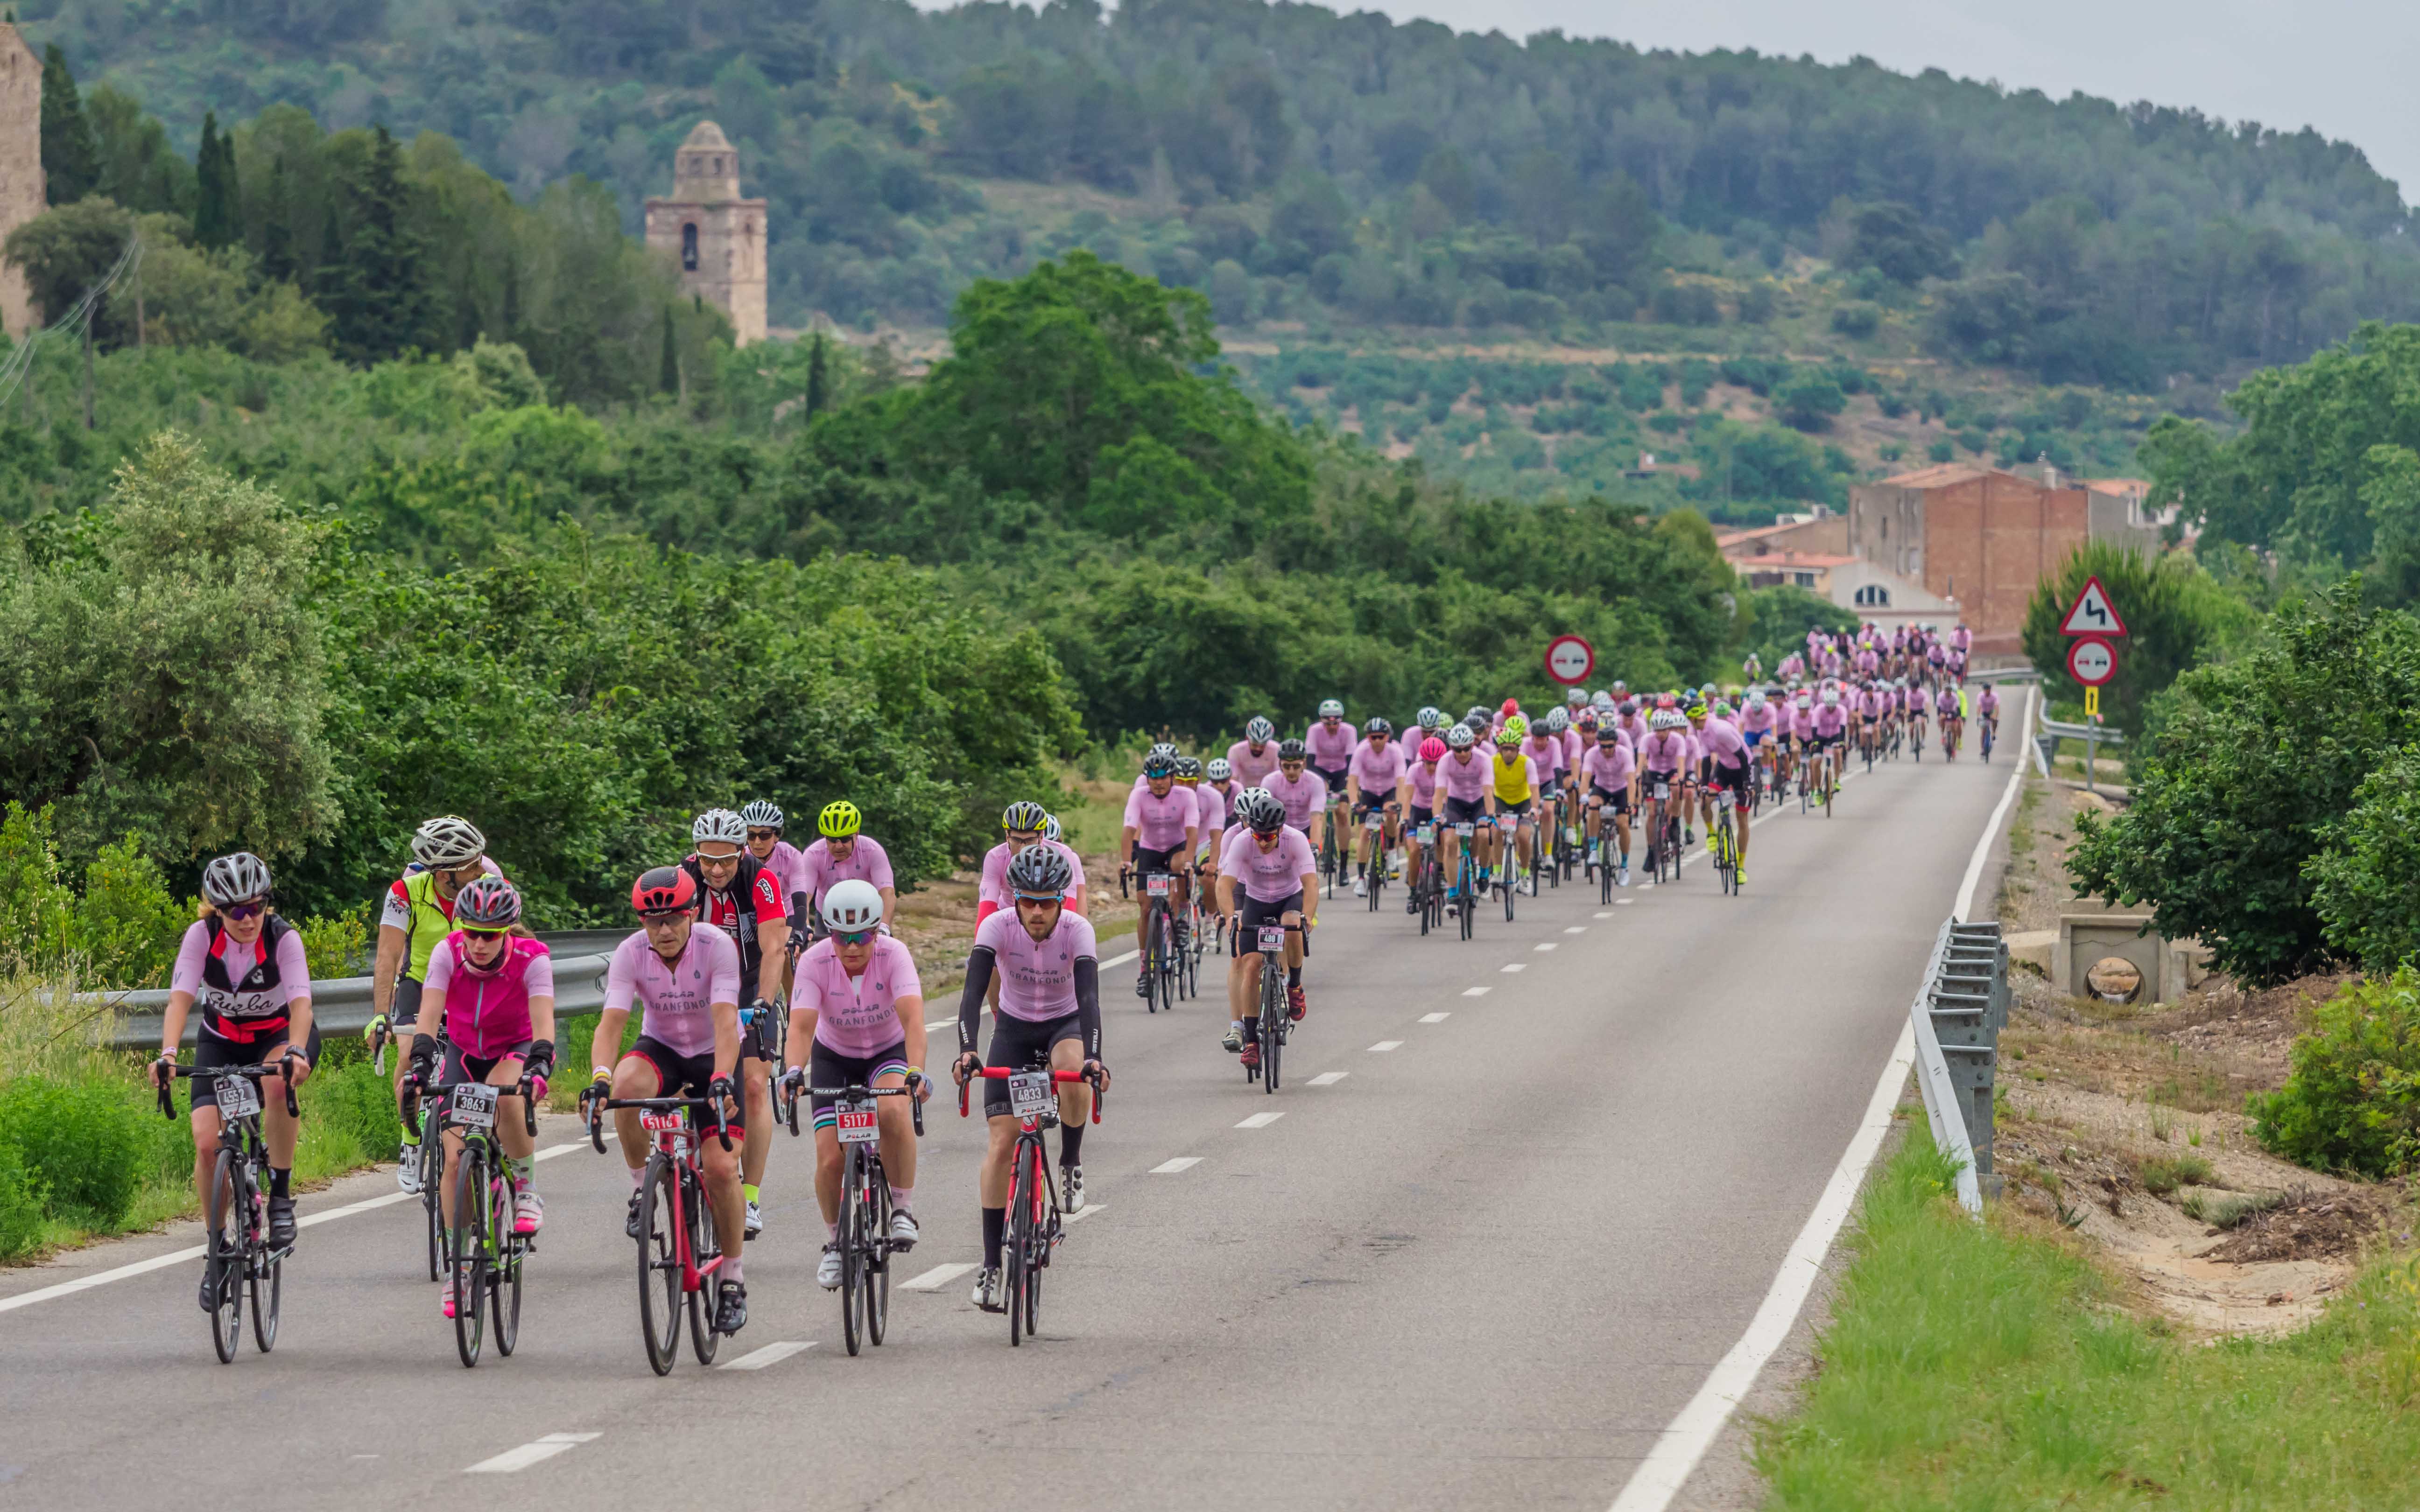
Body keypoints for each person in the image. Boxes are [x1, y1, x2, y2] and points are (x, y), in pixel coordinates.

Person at [584, 867, 751, 1337]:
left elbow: (725, 1021)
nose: (664, 930)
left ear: (692, 913)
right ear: (642, 922)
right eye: (653, 921)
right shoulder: (630, 953)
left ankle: (733, 1280)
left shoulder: (717, 946)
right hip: (663, 1049)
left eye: (674, 918)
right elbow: (612, 1024)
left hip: (715, 1055)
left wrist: (722, 1079)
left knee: (721, 1169)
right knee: (623, 1085)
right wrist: (599, 1078)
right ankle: (643, 1188)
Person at [150, 854, 315, 1306]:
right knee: (207, 1144)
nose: (248, 919)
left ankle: (280, 1197)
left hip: (279, 1036)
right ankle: (218, 1249)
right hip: (221, 1040)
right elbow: (179, 1001)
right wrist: (168, 1054)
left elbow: (302, 1005)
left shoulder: (283, 939)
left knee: (278, 1084)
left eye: (256, 907)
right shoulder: (201, 937)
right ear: (218, 911)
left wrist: (297, 1051)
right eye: (236, 911)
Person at [949, 845, 1106, 1310]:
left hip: (1064, 1023)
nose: (1038, 913)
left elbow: (1090, 1000)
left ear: (1061, 900)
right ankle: (991, 1265)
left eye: (1047, 903)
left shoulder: (1078, 931)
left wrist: (1094, 1058)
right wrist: (967, 1050)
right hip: (1014, 1029)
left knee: (1071, 1071)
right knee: (1001, 1144)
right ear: (1015, 898)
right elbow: (972, 994)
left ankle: (1070, 1161)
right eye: (1029, 902)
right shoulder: (997, 927)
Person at [402, 878, 554, 1315]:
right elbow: (429, 1014)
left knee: (505, 1098)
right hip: (464, 1052)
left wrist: (540, 1065)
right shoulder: (447, 953)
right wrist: (419, 1064)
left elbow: (544, 1022)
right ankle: (459, 1267)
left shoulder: (532, 958)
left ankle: (526, 1188)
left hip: (516, 1048)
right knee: (453, 1162)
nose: (479, 943)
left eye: (490, 935)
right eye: (472, 933)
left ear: (507, 931)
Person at [782, 879, 929, 1290]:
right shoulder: (814, 962)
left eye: (862, 936)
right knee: (830, 1159)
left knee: (892, 1109)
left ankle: (901, 1208)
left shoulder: (894, 954)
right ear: (829, 933)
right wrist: (793, 1071)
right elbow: (801, 1027)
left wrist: (915, 1071)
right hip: (835, 1057)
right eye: (841, 937)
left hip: (887, 1051)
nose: (851, 947)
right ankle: (834, 1243)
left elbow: (913, 1021)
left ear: (877, 931)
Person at [370, 815, 504, 1196]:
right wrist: (380, 1014)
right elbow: (387, 955)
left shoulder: (490, 881)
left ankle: (492, 1143)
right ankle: (411, 1140)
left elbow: (508, 941)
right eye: (471, 867)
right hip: (420, 981)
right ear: (445, 875)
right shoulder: (404, 891)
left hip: (472, 982)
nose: (480, 870)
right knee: (410, 1054)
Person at [682, 808, 790, 1239]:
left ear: (742, 852)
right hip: (700, 991)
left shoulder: (760, 880)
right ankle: (676, 1161)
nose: (716, 869)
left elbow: (774, 948)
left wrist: (764, 1002)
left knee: (753, 1085)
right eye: (708, 859)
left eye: (726, 859)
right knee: (682, 1081)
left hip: (749, 987)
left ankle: (750, 1196)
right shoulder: (685, 878)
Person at [1217, 789, 1319, 1064]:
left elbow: (1311, 883)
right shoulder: (1241, 841)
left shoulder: (1296, 840)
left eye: (1269, 836)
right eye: (1258, 836)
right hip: (1257, 901)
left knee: (1292, 923)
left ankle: (1294, 986)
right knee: (1251, 966)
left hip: (1289, 897)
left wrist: (1308, 917)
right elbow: (1224, 885)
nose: (1262, 842)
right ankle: (1251, 1040)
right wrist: (1231, 917)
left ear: (1280, 830)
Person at [1121, 750, 1200, 994]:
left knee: (1180, 867)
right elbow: (1129, 829)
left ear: (1172, 778)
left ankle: (1181, 916)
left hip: (1177, 847)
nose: (1158, 782)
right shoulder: (1139, 795)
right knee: (1145, 908)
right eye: (1153, 778)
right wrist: (1126, 862)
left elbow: (1192, 832)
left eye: (1163, 777)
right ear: (1147, 779)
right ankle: (1145, 970)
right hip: (1150, 850)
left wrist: (1190, 862)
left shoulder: (1186, 795)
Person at [977, 801, 1089, 928]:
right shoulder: (995, 858)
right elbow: (986, 910)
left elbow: (1069, 909)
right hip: (1009, 919)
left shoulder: (1061, 854)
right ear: (1007, 836)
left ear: (1041, 836)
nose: (1023, 848)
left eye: (1030, 840)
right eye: (1016, 840)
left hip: (1046, 920)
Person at [798, 800, 897, 934]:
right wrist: (803, 926)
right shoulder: (813, 854)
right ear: (825, 837)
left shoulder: (872, 851)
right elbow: (802, 896)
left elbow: (887, 892)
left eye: (845, 840)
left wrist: (884, 926)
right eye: (832, 840)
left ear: (857, 833)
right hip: (829, 916)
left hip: (867, 915)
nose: (839, 846)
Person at [1434, 721, 1497, 897]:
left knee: (1484, 835)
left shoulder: (1483, 759)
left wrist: (1491, 816)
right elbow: (1439, 794)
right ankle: (1453, 891)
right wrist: (1437, 817)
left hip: (1479, 801)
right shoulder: (1445, 761)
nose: (1462, 753)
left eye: (1466, 749)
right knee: (1450, 842)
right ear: (1451, 748)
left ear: (1473, 745)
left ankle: (1484, 871)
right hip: (1457, 802)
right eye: (1458, 750)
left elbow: (1488, 792)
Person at [1346, 716, 1405, 896]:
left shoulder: (1395, 751)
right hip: (1369, 792)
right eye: (1373, 737)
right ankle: (1361, 879)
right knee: (1365, 833)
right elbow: (1353, 780)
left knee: (1391, 815)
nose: (1377, 741)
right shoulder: (1361, 751)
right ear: (1368, 737)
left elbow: (1401, 781)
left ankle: (1392, 851)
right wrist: (1354, 803)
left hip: (1389, 791)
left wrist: (1399, 803)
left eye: (1381, 737)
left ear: (1388, 737)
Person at [1580, 719, 1638, 885]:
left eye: (1610, 746)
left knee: (1623, 824)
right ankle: (1593, 850)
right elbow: (1585, 778)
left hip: (1621, 790)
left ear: (1616, 744)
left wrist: (1631, 803)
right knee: (1593, 808)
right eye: (1603, 746)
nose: (1606, 750)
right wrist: (1584, 796)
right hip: (1602, 788)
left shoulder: (1624, 754)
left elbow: (1631, 781)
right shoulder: (1592, 754)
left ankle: (1624, 866)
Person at [1399, 735, 1445, 913]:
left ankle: (1440, 871)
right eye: (1429, 763)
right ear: (1422, 760)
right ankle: (1413, 893)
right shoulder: (1414, 770)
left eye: (1436, 763)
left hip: (1439, 809)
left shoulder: (1446, 770)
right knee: (1414, 851)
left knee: (1443, 836)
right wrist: (1405, 818)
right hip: (1418, 811)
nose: (1432, 767)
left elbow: (1449, 796)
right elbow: (1407, 796)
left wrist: (1441, 819)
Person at [1264, 738, 1328, 853]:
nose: (1291, 771)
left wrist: (1314, 846)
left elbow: (1317, 817)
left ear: (1304, 764)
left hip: (1307, 829)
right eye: (1287, 766)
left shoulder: (1316, 781)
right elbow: (1267, 816)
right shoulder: (1270, 781)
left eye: (1296, 766)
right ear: (1280, 764)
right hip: (1280, 828)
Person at [1304, 699, 1356, 808]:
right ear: (1321, 720)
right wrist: (1318, 780)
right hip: (1320, 769)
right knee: (1321, 797)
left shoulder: (1350, 730)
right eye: (1328, 724)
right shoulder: (1314, 730)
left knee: (1341, 810)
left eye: (1335, 723)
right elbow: (1310, 759)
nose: (1332, 727)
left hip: (1342, 770)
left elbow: (1351, 759)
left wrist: (1349, 780)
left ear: (1341, 720)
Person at [1226, 716, 1282, 789]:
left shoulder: (1277, 749)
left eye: (1263, 745)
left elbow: (1279, 776)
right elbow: (1233, 778)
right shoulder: (1235, 751)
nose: (1258, 748)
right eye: (1255, 744)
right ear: (1247, 738)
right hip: (1243, 791)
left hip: (1269, 791)